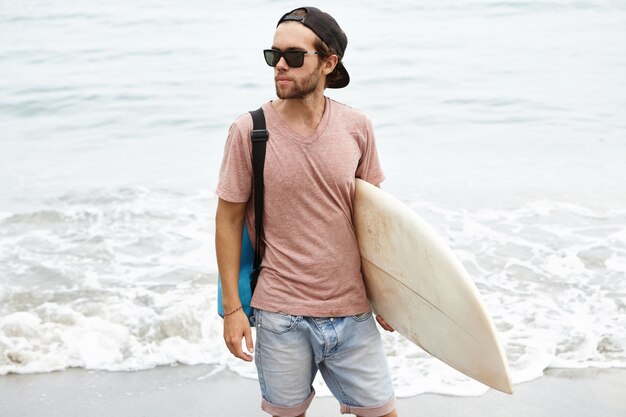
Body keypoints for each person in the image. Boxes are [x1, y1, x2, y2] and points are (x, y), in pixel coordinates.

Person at [216, 6, 398, 417]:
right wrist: (232, 310)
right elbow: (227, 221)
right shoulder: (249, 131)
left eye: (294, 56)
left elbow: (375, 221)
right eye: (273, 55)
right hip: (280, 315)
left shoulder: (357, 127)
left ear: (329, 63)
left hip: (353, 313)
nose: (279, 65)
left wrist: (391, 295)